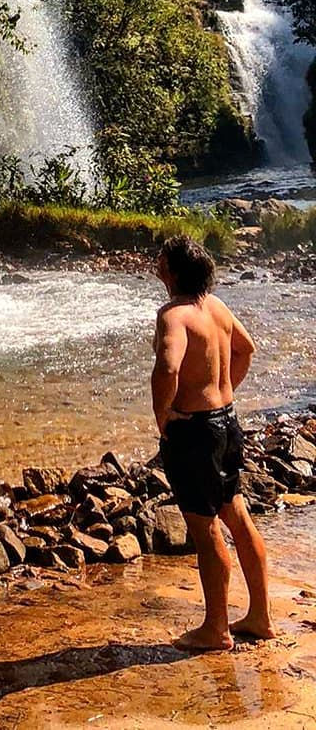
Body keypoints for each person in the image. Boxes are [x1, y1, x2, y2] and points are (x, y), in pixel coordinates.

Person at [151, 234, 274, 651]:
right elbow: (246, 349)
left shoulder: (174, 314)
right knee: (236, 517)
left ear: (172, 271)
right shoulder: (216, 307)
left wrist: (163, 415)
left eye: (161, 258)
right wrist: (224, 391)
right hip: (226, 421)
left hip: (195, 433)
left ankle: (216, 629)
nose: (156, 262)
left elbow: (167, 366)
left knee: (205, 531)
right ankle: (260, 616)